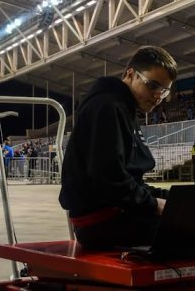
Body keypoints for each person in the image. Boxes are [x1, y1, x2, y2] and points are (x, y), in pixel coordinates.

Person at [59, 46, 177, 250]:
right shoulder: (107, 106)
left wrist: (171, 198)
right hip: (100, 222)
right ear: (130, 75)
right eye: (152, 86)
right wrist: (153, 204)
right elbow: (108, 180)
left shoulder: (124, 108)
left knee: (189, 212)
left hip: (115, 213)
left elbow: (129, 181)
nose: (158, 96)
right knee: (192, 231)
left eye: (163, 91)